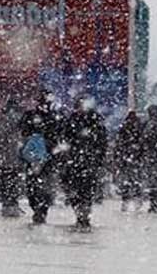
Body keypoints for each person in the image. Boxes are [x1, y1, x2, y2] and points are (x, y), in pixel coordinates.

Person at [62, 98, 108, 230]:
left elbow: (102, 142)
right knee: (78, 190)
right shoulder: (74, 121)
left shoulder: (92, 121)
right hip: (78, 162)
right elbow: (65, 139)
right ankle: (81, 215)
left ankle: (83, 216)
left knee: (84, 190)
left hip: (85, 162)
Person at [19, 90, 63, 224]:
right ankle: (40, 209)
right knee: (38, 186)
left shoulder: (53, 117)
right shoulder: (51, 117)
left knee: (38, 186)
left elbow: (23, 133)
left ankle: (40, 210)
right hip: (39, 158)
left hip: (40, 158)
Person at [0, 100, 24, 217]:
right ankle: (14, 205)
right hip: (18, 159)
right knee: (14, 182)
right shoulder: (21, 121)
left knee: (5, 183)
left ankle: (7, 206)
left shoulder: (4, 122)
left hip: (5, 159)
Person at [113, 111, 144, 211]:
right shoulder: (139, 127)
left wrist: (118, 155)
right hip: (133, 158)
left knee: (127, 181)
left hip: (127, 158)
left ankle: (127, 201)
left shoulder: (124, 127)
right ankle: (135, 199)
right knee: (134, 180)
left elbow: (118, 143)